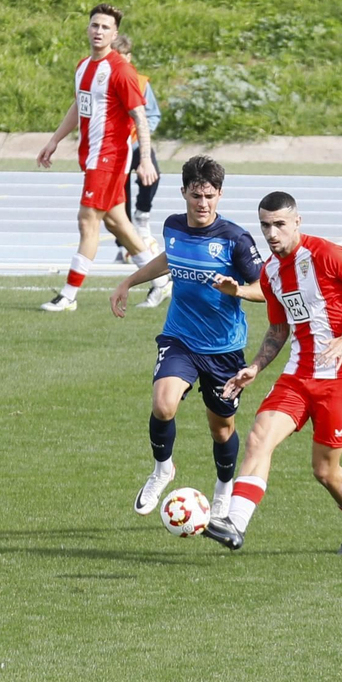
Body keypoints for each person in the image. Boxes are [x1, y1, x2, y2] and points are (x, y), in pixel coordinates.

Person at [203, 191, 342, 555]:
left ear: (297, 222)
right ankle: (235, 524)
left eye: (279, 225)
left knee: (325, 471)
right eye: (265, 226)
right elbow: (277, 330)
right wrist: (254, 367)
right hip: (298, 375)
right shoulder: (270, 272)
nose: (272, 234)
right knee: (259, 437)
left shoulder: (327, 255)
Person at [109, 155, 263, 519]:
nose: (203, 203)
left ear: (220, 195)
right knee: (163, 404)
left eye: (210, 196)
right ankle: (163, 469)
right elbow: (170, 258)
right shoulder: (173, 227)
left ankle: (223, 489)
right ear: (184, 193)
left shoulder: (235, 240)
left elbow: (266, 289)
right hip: (180, 338)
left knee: (222, 429)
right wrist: (129, 281)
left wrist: (236, 290)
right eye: (196, 195)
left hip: (224, 348)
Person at [35, 4, 167, 312]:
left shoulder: (120, 70)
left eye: (105, 28)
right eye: (95, 25)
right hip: (92, 157)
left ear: (114, 34)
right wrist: (54, 140)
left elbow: (140, 117)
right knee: (116, 222)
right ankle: (161, 280)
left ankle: (68, 296)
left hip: (109, 157)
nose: (99, 31)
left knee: (87, 220)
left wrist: (144, 159)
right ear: (88, 28)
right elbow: (78, 107)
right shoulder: (83, 66)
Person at [109, 35, 165, 287]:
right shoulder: (105, 80)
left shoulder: (140, 82)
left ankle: (142, 217)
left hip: (135, 142)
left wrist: (141, 133)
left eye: (121, 58)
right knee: (119, 192)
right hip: (113, 146)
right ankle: (125, 242)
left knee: (151, 175)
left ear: (129, 58)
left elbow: (151, 114)